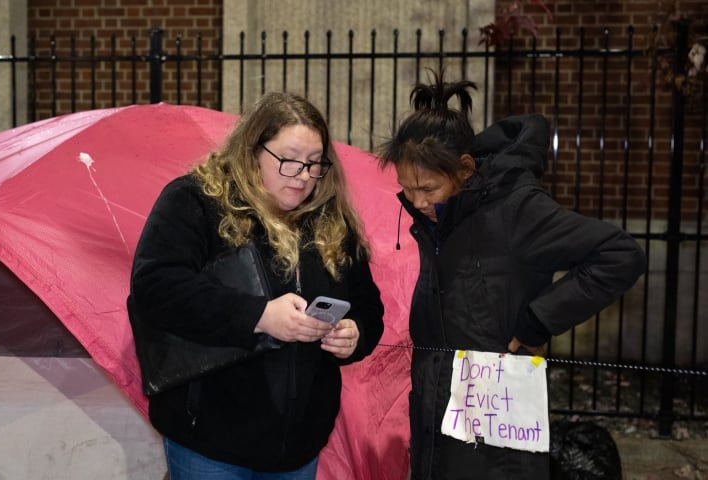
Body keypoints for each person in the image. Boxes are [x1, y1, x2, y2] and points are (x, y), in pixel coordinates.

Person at [376, 69, 647, 479]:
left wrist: (538, 319)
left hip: (497, 420)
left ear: (465, 169)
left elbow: (619, 254)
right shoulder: (437, 218)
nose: (416, 202)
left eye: (428, 189)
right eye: (407, 189)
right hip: (437, 409)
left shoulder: (517, 209)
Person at [128, 91, 384, 479]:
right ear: (252, 150)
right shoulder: (196, 200)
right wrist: (259, 316)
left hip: (299, 447)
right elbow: (156, 286)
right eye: (289, 161)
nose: (303, 177)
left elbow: (368, 309)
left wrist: (354, 334)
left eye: (315, 164)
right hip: (209, 441)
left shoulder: (331, 220)